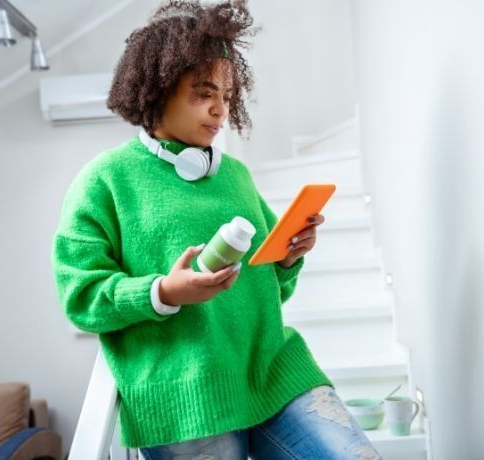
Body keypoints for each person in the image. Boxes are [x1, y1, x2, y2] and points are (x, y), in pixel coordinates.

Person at [51, 0, 381, 458]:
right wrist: (163, 292)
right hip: (185, 397)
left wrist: (286, 258)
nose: (219, 110)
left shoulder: (236, 176)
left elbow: (268, 290)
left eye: (226, 96)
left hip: (275, 373)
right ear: (158, 87)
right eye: (203, 93)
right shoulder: (104, 180)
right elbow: (80, 297)